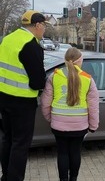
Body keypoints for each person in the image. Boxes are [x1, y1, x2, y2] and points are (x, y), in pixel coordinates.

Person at [0, 10, 47, 181]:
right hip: (22, 102)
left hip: (3, 97)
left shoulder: (8, 39)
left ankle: (6, 175)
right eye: (44, 27)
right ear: (37, 25)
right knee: (20, 144)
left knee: (7, 139)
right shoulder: (31, 45)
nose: (44, 30)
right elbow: (37, 83)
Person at [40, 47, 99, 181]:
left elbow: (45, 102)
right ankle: (73, 179)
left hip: (58, 125)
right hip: (80, 126)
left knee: (62, 153)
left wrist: (50, 118)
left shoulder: (54, 77)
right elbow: (94, 106)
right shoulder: (88, 79)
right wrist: (93, 125)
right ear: (79, 61)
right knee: (75, 152)